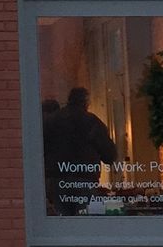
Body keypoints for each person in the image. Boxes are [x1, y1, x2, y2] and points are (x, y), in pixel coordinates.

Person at [47, 87, 118, 215]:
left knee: (60, 224)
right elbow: (109, 155)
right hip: (85, 180)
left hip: (58, 180)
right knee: (84, 224)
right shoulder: (92, 122)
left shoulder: (53, 120)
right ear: (86, 102)